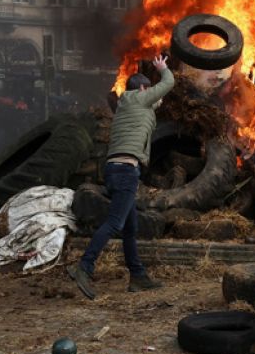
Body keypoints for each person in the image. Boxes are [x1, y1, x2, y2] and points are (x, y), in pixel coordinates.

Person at [68, 54, 175, 299]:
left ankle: (138, 276)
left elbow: (156, 103)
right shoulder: (139, 98)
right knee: (115, 223)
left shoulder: (127, 104)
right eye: (148, 89)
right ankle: (84, 266)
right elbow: (168, 83)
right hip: (126, 171)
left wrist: (157, 94)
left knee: (130, 227)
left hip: (114, 169)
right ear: (143, 89)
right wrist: (162, 68)